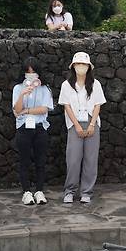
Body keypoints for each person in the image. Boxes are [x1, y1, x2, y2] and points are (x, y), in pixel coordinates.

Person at [59, 52, 107, 204]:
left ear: (89, 67)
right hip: (74, 124)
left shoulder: (96, 84)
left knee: (90, 159)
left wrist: (92, 124)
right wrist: (77, 126)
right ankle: (70, 191)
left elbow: (98, 104)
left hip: (92, 122)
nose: (81, 67)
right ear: (73, 66)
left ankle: (86, 191)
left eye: (84, 64)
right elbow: (66, 106)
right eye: (78, 64)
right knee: (73, 159)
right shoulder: (66, 85)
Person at [12, 57, 54, 205]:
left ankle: (39, 190)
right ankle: (26, 191)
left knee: (40, 161)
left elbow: (44, 109)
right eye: (28, 73)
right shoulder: (18, 88)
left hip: (40, 127)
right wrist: (23, 94)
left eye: (33, 72)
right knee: (24, 161)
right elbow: (16, 110)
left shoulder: (45, 89)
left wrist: (27, 110)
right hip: (23, 128)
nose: (31, 75)